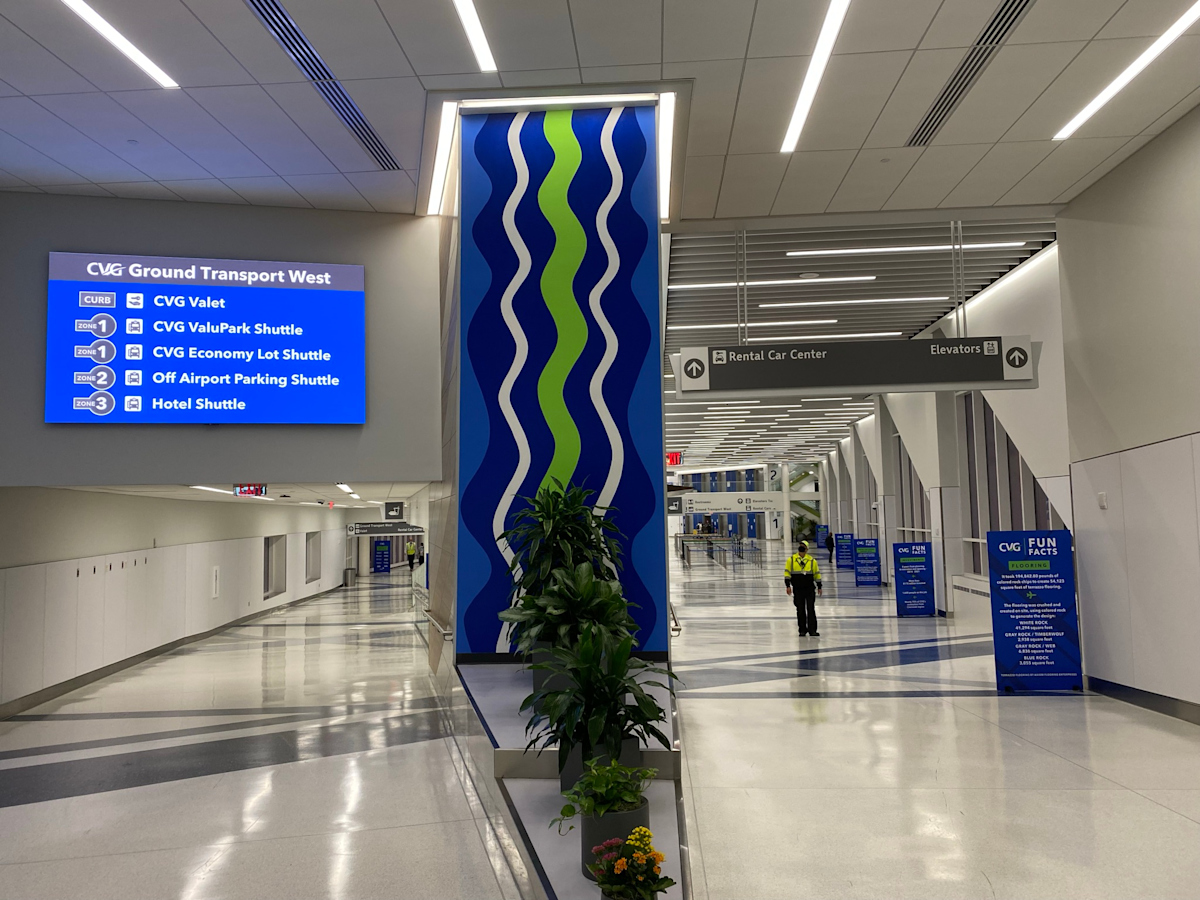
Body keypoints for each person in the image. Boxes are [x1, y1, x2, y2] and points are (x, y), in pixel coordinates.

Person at [784, 541, 822, 637]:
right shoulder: (791, 560)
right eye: (800, 546)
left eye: (803, 546)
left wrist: (819, 586)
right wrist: (788, 586)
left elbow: (817, 574)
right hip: (798, 589)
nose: (801, 547)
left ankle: (812, 630)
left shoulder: (812, 561)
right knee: (800, 610)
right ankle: (802, 630)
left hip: (809, 589)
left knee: (810, 609)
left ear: (807, 549)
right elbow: (787, 574)